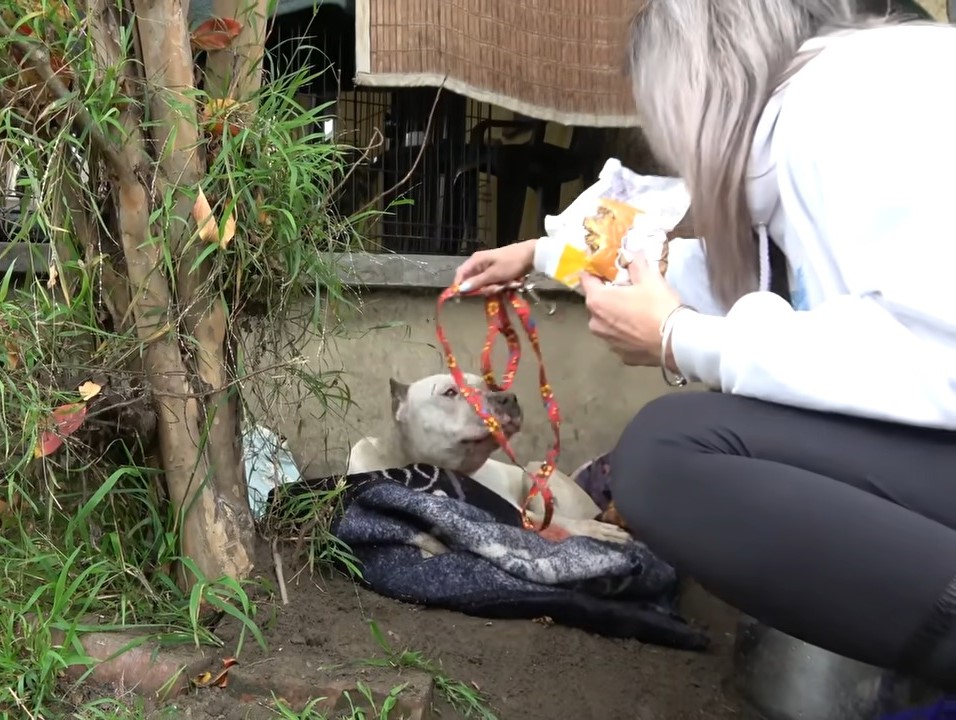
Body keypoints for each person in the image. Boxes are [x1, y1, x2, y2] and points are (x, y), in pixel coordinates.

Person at [453, 0, 956, 689]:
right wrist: (541, 254)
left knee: (669, 454)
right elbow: (715, 275)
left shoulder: (850, 106)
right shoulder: (821, 116)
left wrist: (675, 337)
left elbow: (935, 355)